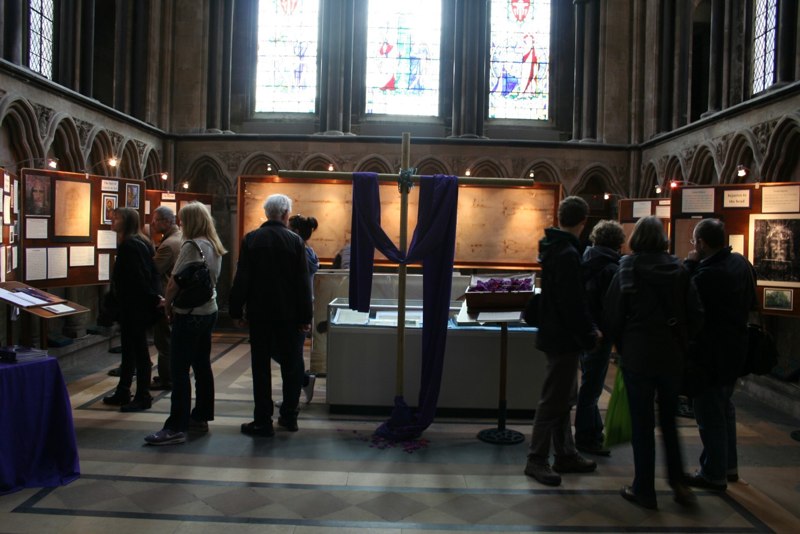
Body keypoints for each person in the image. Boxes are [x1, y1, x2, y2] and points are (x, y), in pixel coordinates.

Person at [604, 216, 703, 509]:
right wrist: (682, 341)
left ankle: (644, 489)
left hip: (638, 355)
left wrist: (621, 346)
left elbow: (613, 314)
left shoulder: (627, 268)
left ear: (636, 238)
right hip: (671, 355)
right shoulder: (679, 270)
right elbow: (696, 314)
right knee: (670, 422)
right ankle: (679, 484)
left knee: (642, 424)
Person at [524, 196, 601, 486]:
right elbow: (572, 302)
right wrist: (589, 334)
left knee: (564, 397)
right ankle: (536, 459)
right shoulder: (567, 253)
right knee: (553, 399)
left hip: (556, 334)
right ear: (583, 221)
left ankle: (566, 453)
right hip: (562, 337)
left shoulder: (555, 247)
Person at [683, 218, 757, 490]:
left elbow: (685, 297)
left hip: (711, 354)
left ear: (702, 243)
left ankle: (713, 473)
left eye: (694, 241)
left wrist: (690, 264)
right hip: (736, 349)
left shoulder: (707, 274)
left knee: (708, 412)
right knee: (724, 408)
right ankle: (728, 466)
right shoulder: (740, 263)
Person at [229, 194, 312, 436]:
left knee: (261, 367)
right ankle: (289, 416)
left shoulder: (252, 239)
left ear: (267, 213)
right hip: (289, 315)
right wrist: (305, 318)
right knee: (291, 366)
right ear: (286, 214)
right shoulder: (295, 241)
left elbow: (242, 277)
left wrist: (236, 310)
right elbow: (302, 284)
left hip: (260, 314)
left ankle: (262, 420)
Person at [145, 202, 226, 445]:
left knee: (179, 370)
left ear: (191, 221)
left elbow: (174, 282)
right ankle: (200, 417)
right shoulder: (214, 244)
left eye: (182, 219)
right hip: (208, 310)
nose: (180, 224)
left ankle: (176, 427)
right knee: (202, 366)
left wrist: (168, 305)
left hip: (189, 313)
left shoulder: (191, 246)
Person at [102, 207, 161, 412]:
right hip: (135, 305)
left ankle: (142, 395)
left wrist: (148, 299)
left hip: (135, 306)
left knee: (139, 351)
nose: (112, 220)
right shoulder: (140, 242)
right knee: (129, 350)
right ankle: (123, 390)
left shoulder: (130, 245)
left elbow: (138, 277)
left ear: (127, 222)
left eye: (117, 218)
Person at [575, 220, 626, 457]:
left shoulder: (585, 259)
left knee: (590, 383)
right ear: (618, 242)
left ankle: (594, 433)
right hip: (601, 334)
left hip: (585, 330)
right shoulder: (611, 269)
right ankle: (586, 437)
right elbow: (613, 306)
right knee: (592, 388)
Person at [149, 206, 183, 391]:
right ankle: (170, 375)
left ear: (167, 221)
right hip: (177, 298)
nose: (152, 224)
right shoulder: (180, 237)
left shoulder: (168, 245)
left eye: (155, 220)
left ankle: (166, 378)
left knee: (164, 340)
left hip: (166, 296)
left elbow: (153, 270)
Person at [288, 214, 319, 403]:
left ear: (296, 231)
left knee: (290, 354)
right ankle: (298, 388)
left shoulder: (300, 252)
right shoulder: (309, 251)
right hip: (303, 305)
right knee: (293, 353)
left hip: (297, 307)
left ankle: (301, 384)